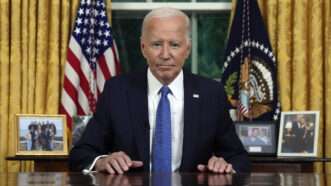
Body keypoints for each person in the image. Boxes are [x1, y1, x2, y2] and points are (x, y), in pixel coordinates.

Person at [69, 7, 250, 174]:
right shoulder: (116, 91)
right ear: (143, 48)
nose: (165, 54)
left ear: (187, 49)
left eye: (174, 45)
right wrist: (102, 161)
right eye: (156, 44)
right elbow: (81, 153)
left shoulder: (212, 93)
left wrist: (225, 165)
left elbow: (238, 158)